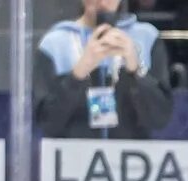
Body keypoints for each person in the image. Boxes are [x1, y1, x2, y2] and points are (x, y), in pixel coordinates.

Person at [35, 0, 173, 139]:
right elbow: (48, 122)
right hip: (73, 155)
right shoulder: (55, 44)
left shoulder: (146, 38)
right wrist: (78, 74)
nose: (103, 1)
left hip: (131, 155)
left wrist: (135, 70)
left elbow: (160, 118)